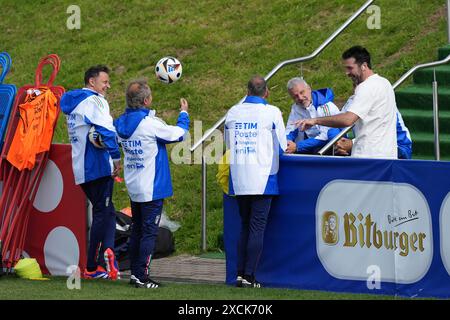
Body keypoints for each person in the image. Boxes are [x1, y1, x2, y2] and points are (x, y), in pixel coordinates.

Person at [114, 79, 190, 289]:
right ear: (146, 100)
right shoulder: (149, 124)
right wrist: (184, 113)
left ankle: (135, 273)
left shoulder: (119, 123)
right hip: (152, 187)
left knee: (138, 229)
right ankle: (142, 276)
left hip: (134, 185)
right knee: (148, 232)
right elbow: (179, 134)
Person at [225, 75, 287, 288]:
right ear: (266, 92)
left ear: (247, 91)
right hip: (263, 176)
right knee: (257, 227)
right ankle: (250, 276)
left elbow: (227, 144)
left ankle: (241, 273)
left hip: (240, 177)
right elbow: (282, 147)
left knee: (244, 226)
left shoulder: (233, 112)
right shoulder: (272, 112)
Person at [61, 65, 121, 280]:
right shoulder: (95, 101)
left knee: (108, 211)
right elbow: (105, 130)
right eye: (105, 82)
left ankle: (108, 254)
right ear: (92, 82)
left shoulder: (75, 101)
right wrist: (116, 157)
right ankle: (92, 266)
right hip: (97, 167)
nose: (108, 86)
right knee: (102, 213)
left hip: (81, 168)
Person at [298, 46, 397, 159]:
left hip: (369, 157)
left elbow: (348, 119)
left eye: (350, 68)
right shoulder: (385, 83)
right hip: (388, 155)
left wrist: (315, 120)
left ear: (364, 66)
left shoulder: (366, 87)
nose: (347, 73)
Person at [334, 94, 413, 159]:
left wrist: (353, 144)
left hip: (398, 147)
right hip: (367, 146)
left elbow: (379, 133)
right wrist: (341, 145)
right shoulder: (352, 100)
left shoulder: (381, 100)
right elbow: (340, 124)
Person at [284, 77, 341, 154]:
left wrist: (298, 146)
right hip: (308, 144)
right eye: (295, 96)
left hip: (330, 144)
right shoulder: (296, 107)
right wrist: (287, 142)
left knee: (331, 135)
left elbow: (325, 135)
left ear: (309, 89)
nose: (300, 98)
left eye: (302, 92)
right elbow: (291, 129)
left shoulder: (325, 105)